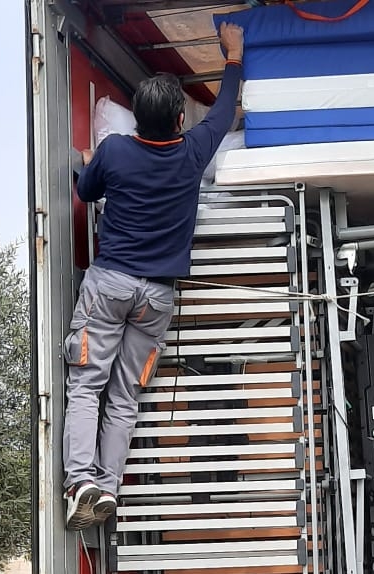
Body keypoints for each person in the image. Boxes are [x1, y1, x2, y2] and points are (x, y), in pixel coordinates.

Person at [63, 21, 246, 531]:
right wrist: (232, 56)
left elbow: (85, 192)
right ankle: (109, 487)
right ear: (181, 118)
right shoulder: (192, 152)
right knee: (124, 395)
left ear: (137, 120)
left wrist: (90, 163)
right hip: (157, 299)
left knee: (86, 386)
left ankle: (82, 483)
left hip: (109, 285)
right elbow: (225, 109)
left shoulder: (117, 150)